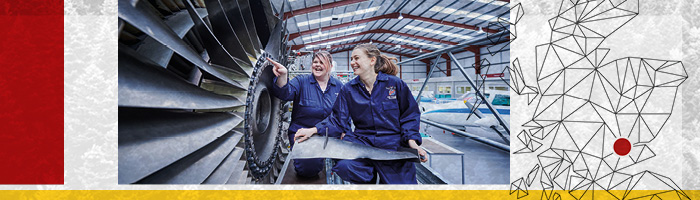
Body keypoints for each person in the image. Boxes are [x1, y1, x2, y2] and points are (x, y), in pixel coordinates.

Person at [295, 44, 428, 184]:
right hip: (363, 143)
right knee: (344, 166)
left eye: (357, 58)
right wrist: (313, 130)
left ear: (372, 60)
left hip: (393, 144)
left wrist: (412, 142)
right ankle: (371, 179)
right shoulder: (348, 89)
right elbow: (337, 119)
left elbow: (410, 115)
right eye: (351, 59)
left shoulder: (394, 84)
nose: (352, 62)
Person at [267, 51, 349, 178]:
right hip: (304, 134)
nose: (317, 65)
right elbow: (284, 93)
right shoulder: (301, 82)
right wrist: (283, 76)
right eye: (315, 62)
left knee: (349, 163)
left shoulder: (338, 86)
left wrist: (345, 131)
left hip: (330, 133)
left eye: (322, 62)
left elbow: (344, 113)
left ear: (331, 66)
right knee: (308, 169)